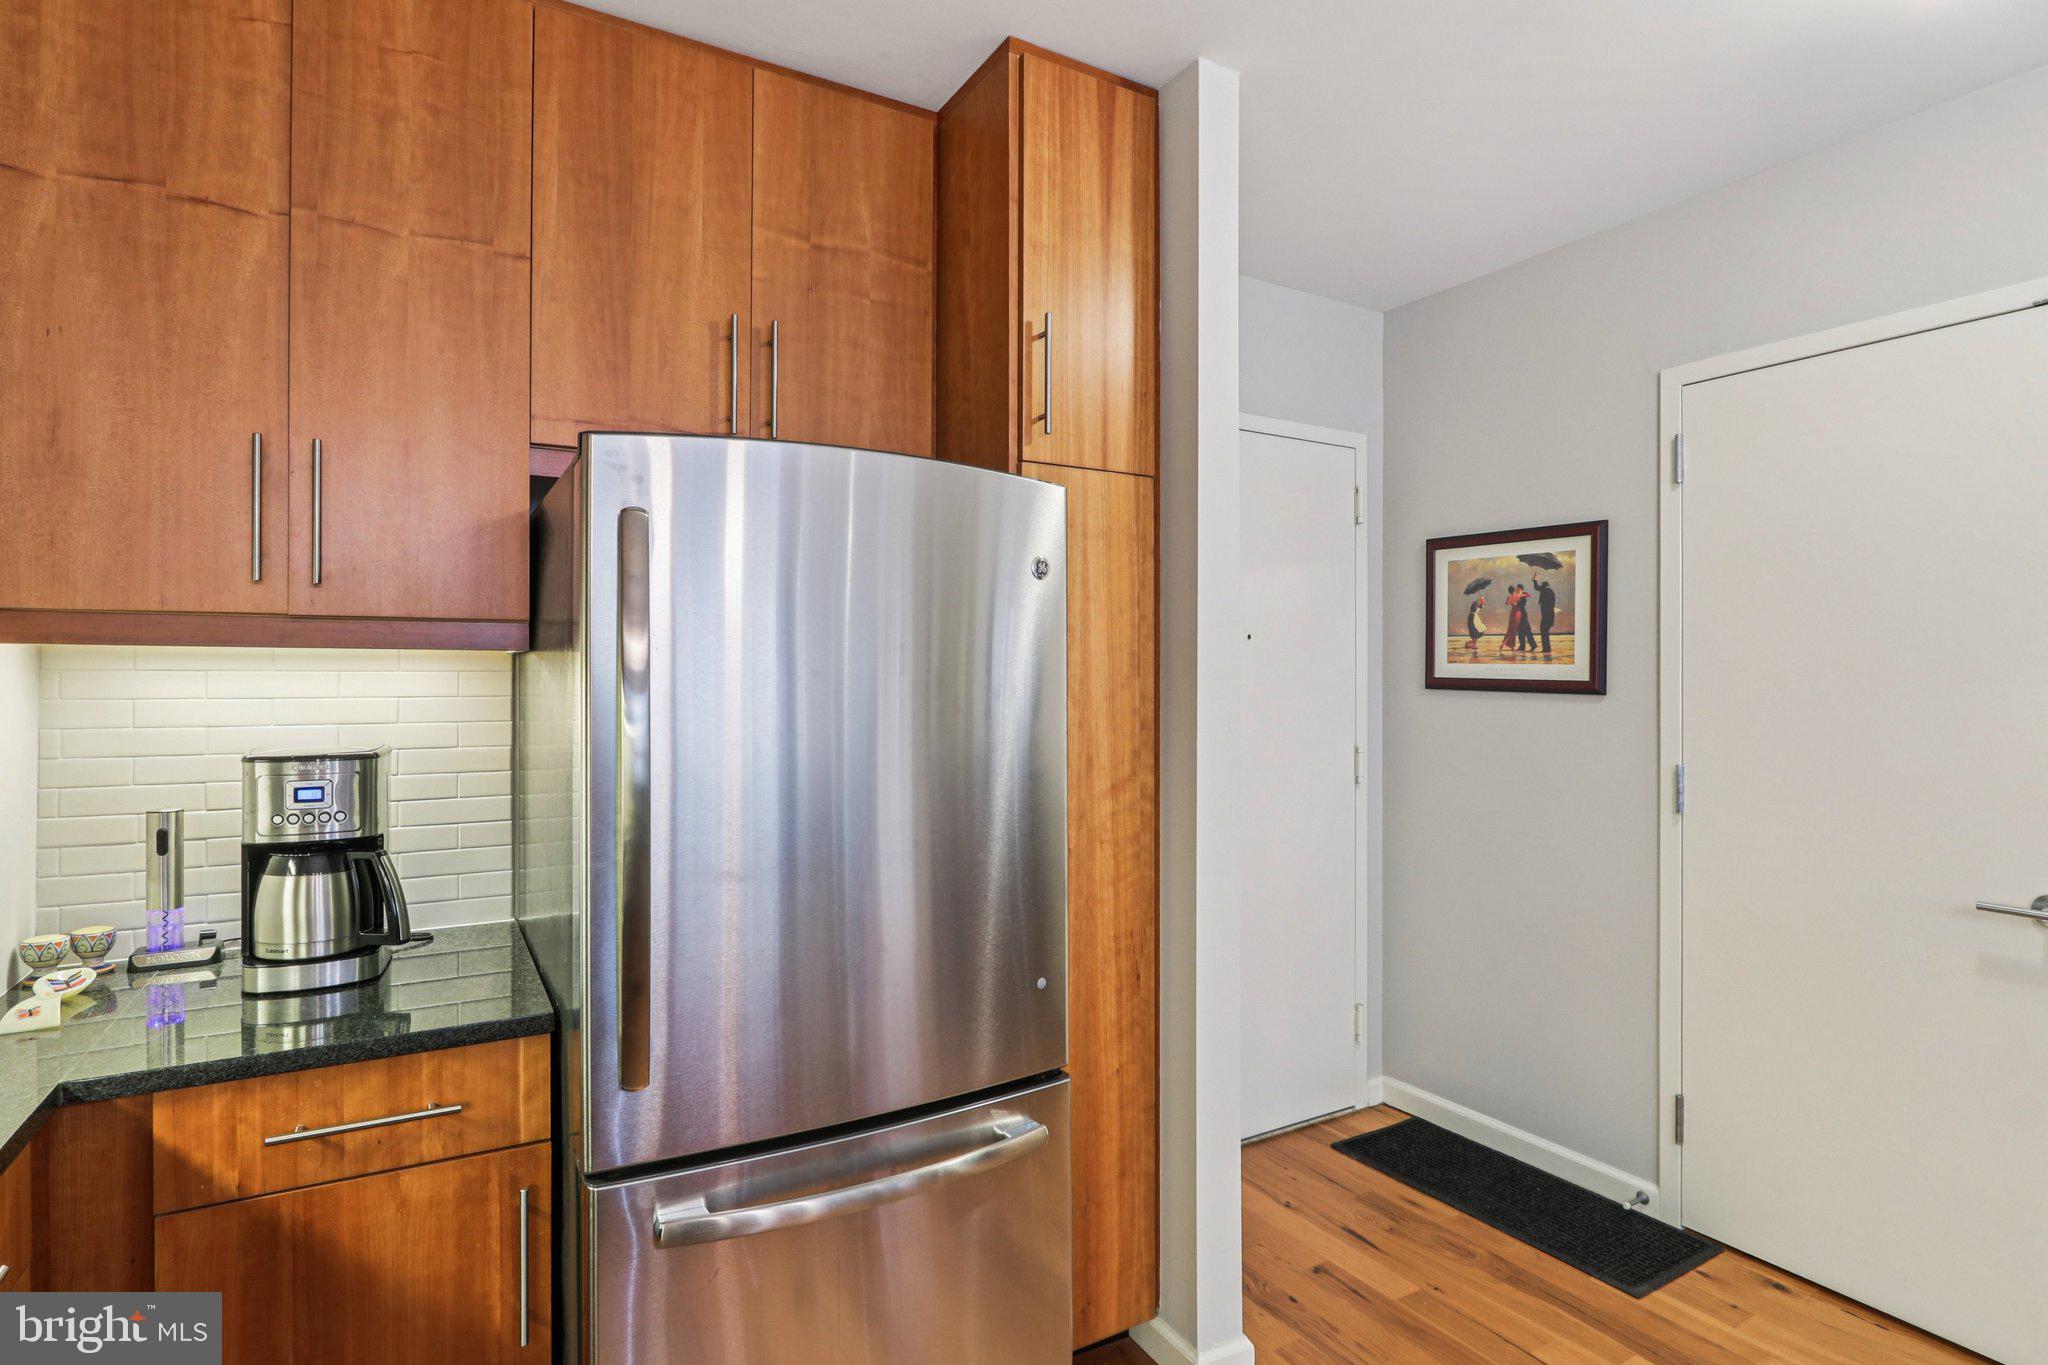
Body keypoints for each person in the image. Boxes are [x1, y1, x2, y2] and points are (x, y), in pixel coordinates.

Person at [1499, 585, 1529, 656]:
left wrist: (1509, 601)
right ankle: (1511, 646)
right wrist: (1521, 593)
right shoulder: (1517, 595)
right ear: (1514, 590)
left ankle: (1504, 645)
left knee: (1510, 629)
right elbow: (1528, 595)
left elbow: (1506, 603)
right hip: (1517, 613)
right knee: (1514, 630)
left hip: (1512, 613)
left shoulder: (1509, 597)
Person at [1533, 574, 1557, 654]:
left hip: (1547, 616)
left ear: (1544, 587)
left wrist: (1535, 580)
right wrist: (1535, 580)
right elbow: (1537, 587)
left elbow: (1537, 588)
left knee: (1544, 631)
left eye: (1542, 586)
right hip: (1548, 616)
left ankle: (1546, 649)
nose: (1541, 588)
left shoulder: (1546, 592)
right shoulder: (1549, 591)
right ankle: (1547, 648)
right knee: (1544, 631)